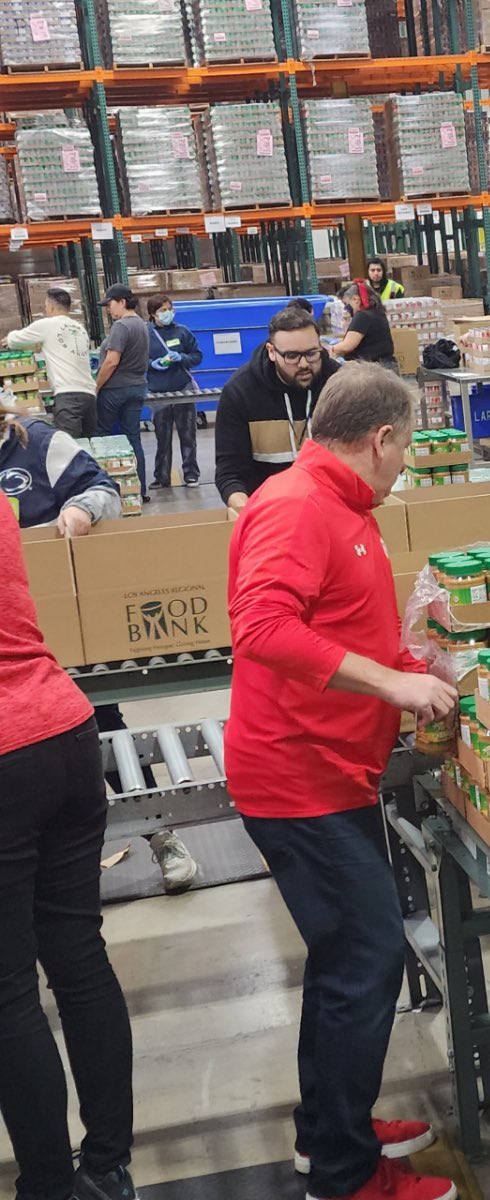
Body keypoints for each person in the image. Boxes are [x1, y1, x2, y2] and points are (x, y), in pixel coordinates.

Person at [227, 363, 459, 1200]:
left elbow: (344, 624)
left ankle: (332, 1129)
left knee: (344, 960)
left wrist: (414, 665)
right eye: (406, 447)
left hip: (334, 773)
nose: (406, 464)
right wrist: (393, 687)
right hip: (298, 778)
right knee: (365, 960)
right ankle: (345, 1173)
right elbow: (261, 628)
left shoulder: (346, 510)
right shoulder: (297, 508)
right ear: (381, 437)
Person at [0, 413, 138, 1200]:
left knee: (10, 988)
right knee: (78, 955)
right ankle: (108, 1168)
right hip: (64, 729)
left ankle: (49, 1188)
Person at [0, 409, 199, 892]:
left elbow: (107, 490)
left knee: (101, 730)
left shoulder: (37, 443)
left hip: (55, 632)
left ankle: (160, 832)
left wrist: (81, 509)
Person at [215, 304, 340, 510]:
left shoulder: (340, 385)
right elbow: (230, 473)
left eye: (312, 353)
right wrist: (248, 512)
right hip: (270, 514)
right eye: (291, 356)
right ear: (272, 352)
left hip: (333, 511)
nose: (303, 364)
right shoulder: (240, 393)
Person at [3, 287, 96, 438]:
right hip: (89, 396)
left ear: (51, 306)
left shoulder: (48, 324)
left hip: (68, 396)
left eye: (46, 306)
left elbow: (15, 339)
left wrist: (7, 339)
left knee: (68, 449)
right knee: (87, 447)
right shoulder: (80, 329)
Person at [95, 284, 151, 502]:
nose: (108, 309)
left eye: (110, 303)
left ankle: (106, 491)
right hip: (137, 388)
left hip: (115, 390)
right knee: (133, 438)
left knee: (101, 437)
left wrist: (96, 386)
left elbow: (111, 361)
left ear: (122, 301)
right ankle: (139, 489)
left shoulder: (121, 326)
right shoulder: (141, 325)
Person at [145, 293, 204, 489]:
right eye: (163, 310)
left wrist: (181, 357)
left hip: (182, 389)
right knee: (162, 437)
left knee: (188, 434)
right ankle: (162, 477)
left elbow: (197, 356)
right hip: (158, 392)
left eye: (170, 309)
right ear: (153, 314)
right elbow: (136, 361)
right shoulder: (146, 335)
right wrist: (153, 364)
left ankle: (191, 474)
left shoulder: (183, 332)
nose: (167, 313)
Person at [329, 282, 396, 368]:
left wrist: (332, 349)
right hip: (386, 366)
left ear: (355, 300)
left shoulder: (363, 316)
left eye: (346, 304)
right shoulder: (377, 313)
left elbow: (347, 346)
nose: (346, 309)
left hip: (373, 369)